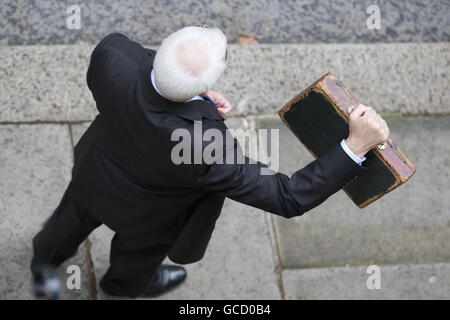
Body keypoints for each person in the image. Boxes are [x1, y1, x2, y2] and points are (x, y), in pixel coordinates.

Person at [31, 26, 389, 298]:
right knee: (138, 257)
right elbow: (287, 196)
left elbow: (142, 72)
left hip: (94, 174)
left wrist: (191, 95)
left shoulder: (112, 57)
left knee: (64, 225)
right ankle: (122, 287)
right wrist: (355, 146)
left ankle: (43, 266)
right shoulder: (206, 146)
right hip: (150, 216)